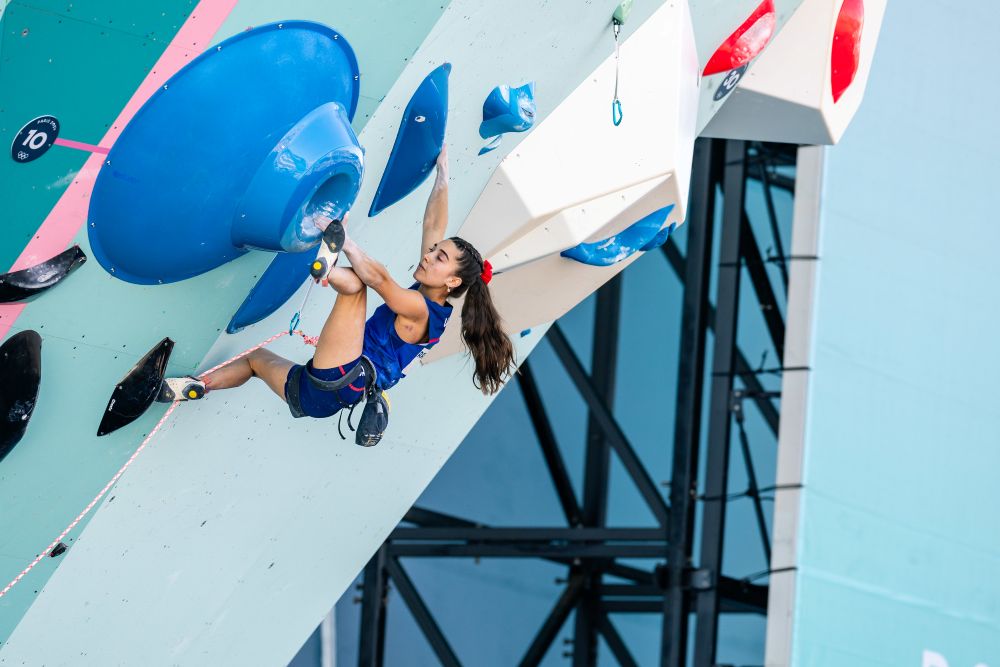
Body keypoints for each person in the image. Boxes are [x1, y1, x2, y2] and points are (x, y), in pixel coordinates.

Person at [164, 147, 516, 446]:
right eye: (434, 251)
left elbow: (379, 279)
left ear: (453, 282)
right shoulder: (431, 295)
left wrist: (343, 240)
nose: (428, 255)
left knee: (356, 287)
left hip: (344, 375)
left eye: (439, 258)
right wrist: (443, 175)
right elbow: (433, 227)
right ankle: (196, 386)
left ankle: (327, 265)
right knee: (255, 360)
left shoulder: (422, 311)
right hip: (321, 399)